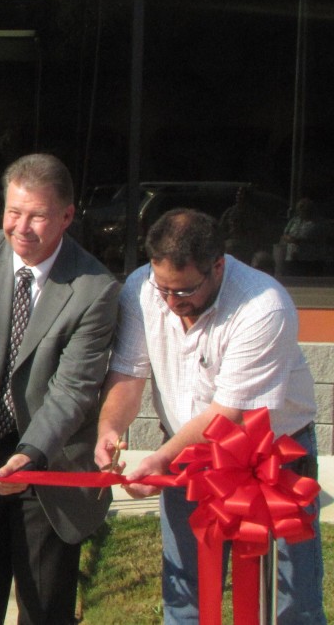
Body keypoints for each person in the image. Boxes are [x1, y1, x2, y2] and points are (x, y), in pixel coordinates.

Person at [95, 208, 324, 624]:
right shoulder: (141, 288)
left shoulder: (264, 305)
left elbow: (229, 413)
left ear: (217, 266)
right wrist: (109, 429)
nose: (170, 302)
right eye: (163, 288)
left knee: (291, 603)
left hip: (273, 461)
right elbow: (128, 372)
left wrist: (162, 457)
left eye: (183, 290)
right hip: (187, 455)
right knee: (185, 592)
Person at [0, 153, 120, 625]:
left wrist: (32, 455)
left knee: (44, 607)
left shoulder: (95, 287)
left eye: (37, 216)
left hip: (51, 455)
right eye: (13, 212)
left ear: (67, 216)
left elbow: (74, 388)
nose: (21, 227)